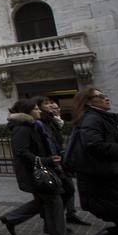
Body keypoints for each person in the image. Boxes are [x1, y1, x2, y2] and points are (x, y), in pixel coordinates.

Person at [0, 99, 70, 235]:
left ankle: (11, 218)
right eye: (36, 109)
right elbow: (22, 152)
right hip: (34, 173)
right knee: (54, 202)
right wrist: (47, 160)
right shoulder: (22, 128)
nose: (39, 111)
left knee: (44, 202)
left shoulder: (33, 125)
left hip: (42, 169)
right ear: (27, 111)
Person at [67, 87, 118, 235]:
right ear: (89, 102)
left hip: (107, 182)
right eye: (100, 96)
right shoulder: (92, 119)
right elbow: (93, 145)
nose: (106, 98)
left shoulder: (102, 118)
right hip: (100, 185)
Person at [34, 96, 90, 226]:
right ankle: (53, 221)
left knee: (67, 189)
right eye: (46, 103)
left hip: (61, 158)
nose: (52, 105)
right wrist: (51, 159)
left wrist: (57, 118)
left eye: (51, 103)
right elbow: (47, 142)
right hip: (54, 161)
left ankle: (66, 215)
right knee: (62, 191)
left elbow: (58, 138)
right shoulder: (40, 123)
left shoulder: (52, 120)